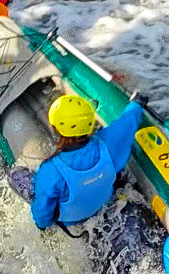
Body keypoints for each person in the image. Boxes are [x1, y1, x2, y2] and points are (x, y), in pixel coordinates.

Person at [28, 93, 147, 230]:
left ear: (55, 128)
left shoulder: (50, 170)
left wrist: (42, 226)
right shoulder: (108, 142)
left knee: (18, 176)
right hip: (102, 204)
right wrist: (137, 104)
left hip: (70, 221)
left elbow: (43, 216)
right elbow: (128, 121)